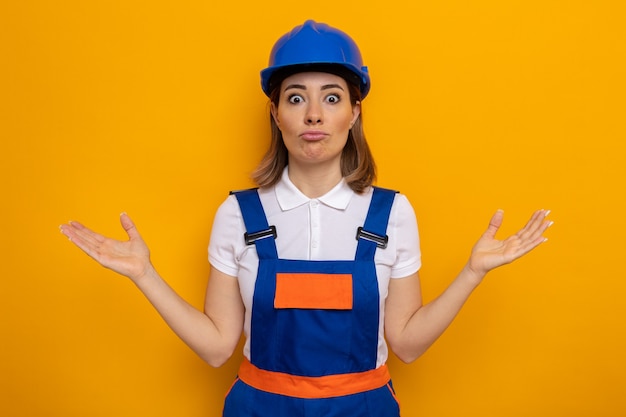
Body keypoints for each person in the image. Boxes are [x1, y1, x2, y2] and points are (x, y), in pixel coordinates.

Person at [59, 20, 552, 417]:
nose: (313, 114)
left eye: (332, 97)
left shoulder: (391, 213)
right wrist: (145, 275)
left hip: (364, 408)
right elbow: (216, 348)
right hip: (259, 408)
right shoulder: (238, 213)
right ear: (277, 114)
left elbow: (406, 344)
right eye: (296, 97)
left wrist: (473, 272)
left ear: (354, 113)